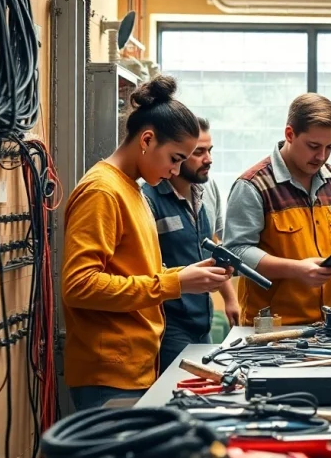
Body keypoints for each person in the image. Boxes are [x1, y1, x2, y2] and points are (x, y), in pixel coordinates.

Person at [61, 76, 231, 410]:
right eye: (175, 158)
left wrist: (183, 275)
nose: (176, 170)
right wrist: (173, 283)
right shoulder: (102, 191)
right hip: (108, 374)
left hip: (136, 366)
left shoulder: (132, 189)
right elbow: (79, 286)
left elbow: (132, 271)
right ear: (147, 139)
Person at [224, 93, 331, 326]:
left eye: (329, 147)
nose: (321, 156)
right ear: (289, 134)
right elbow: (236, 252)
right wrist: (295, 269)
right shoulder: (253, 186)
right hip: (271, 329)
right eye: (313, 146)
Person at [142, 117, 241, 373]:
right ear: (179, 154)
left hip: (202, 319)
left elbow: (214, 250)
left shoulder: (207, 189)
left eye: (210, 150)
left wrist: (230, 298)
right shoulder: (147, 198)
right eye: (199, 152)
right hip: (169, 323)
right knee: (179, 387)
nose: (209, 159)